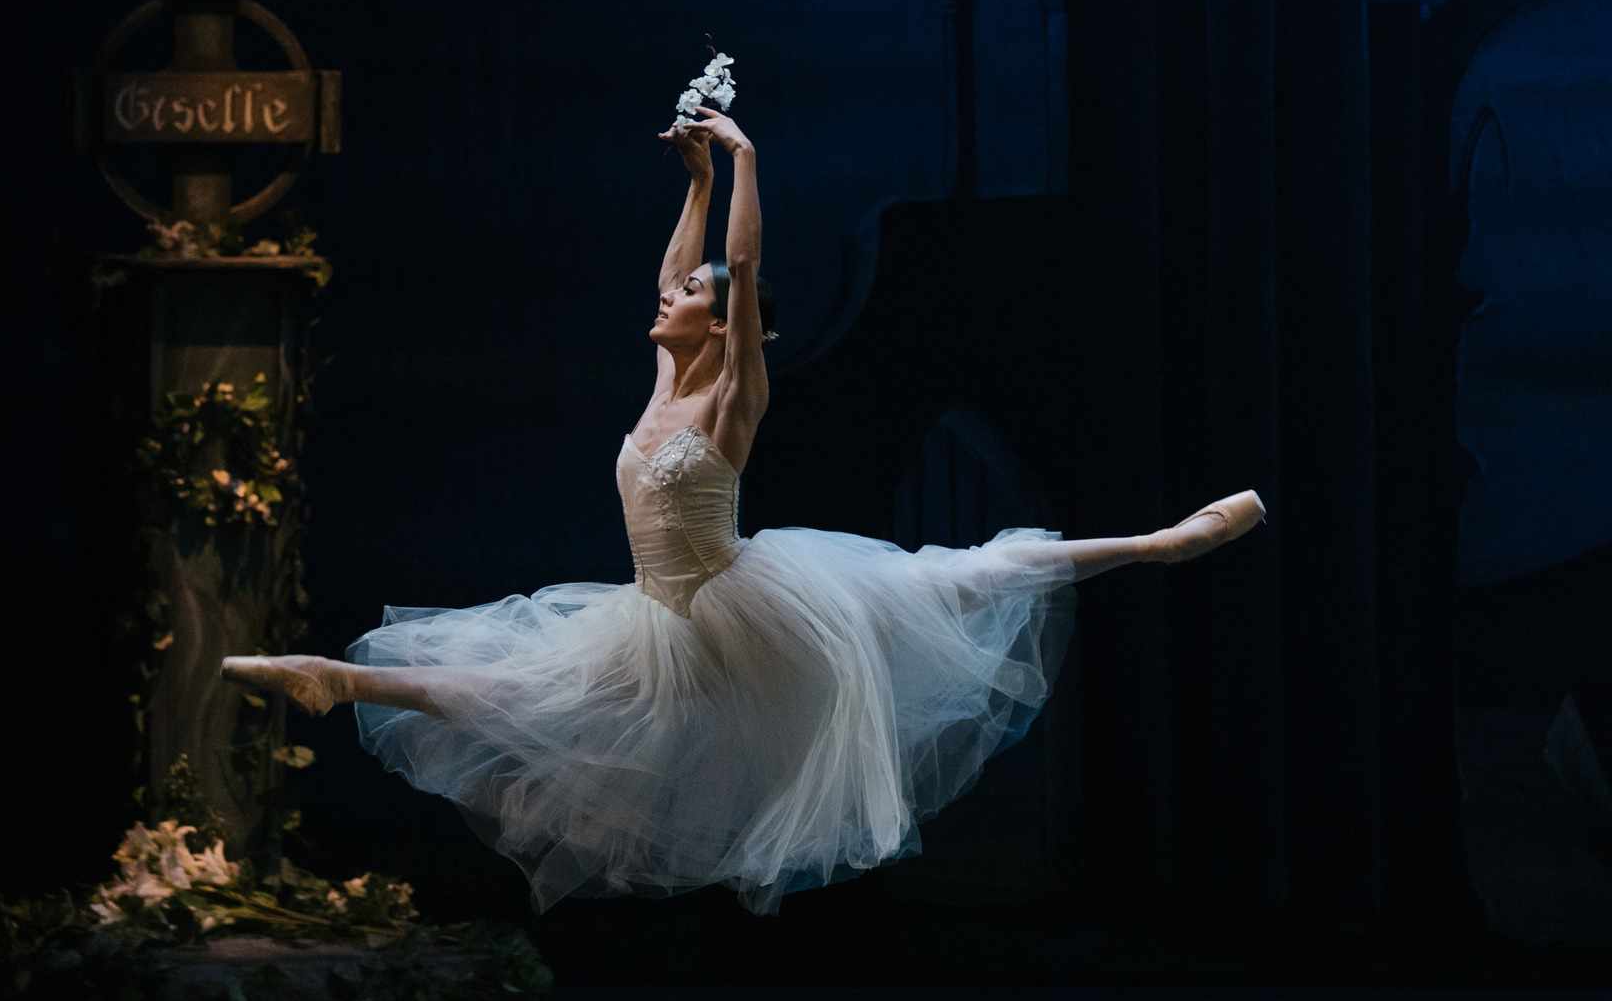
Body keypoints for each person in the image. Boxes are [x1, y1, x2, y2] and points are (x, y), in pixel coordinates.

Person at [222, 106, 1265, 915]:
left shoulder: (728, 400)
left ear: (720, 328)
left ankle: (1157, 541)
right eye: (670, 292)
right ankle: (333, 678)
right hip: (657, 609)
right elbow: (690, 269)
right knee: (517, 691)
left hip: (738, 608)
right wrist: (697, 176)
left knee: (961, 572)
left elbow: (741, 270)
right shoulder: (665, 385)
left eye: (684, 300)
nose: (662, 297)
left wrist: (748, 161)